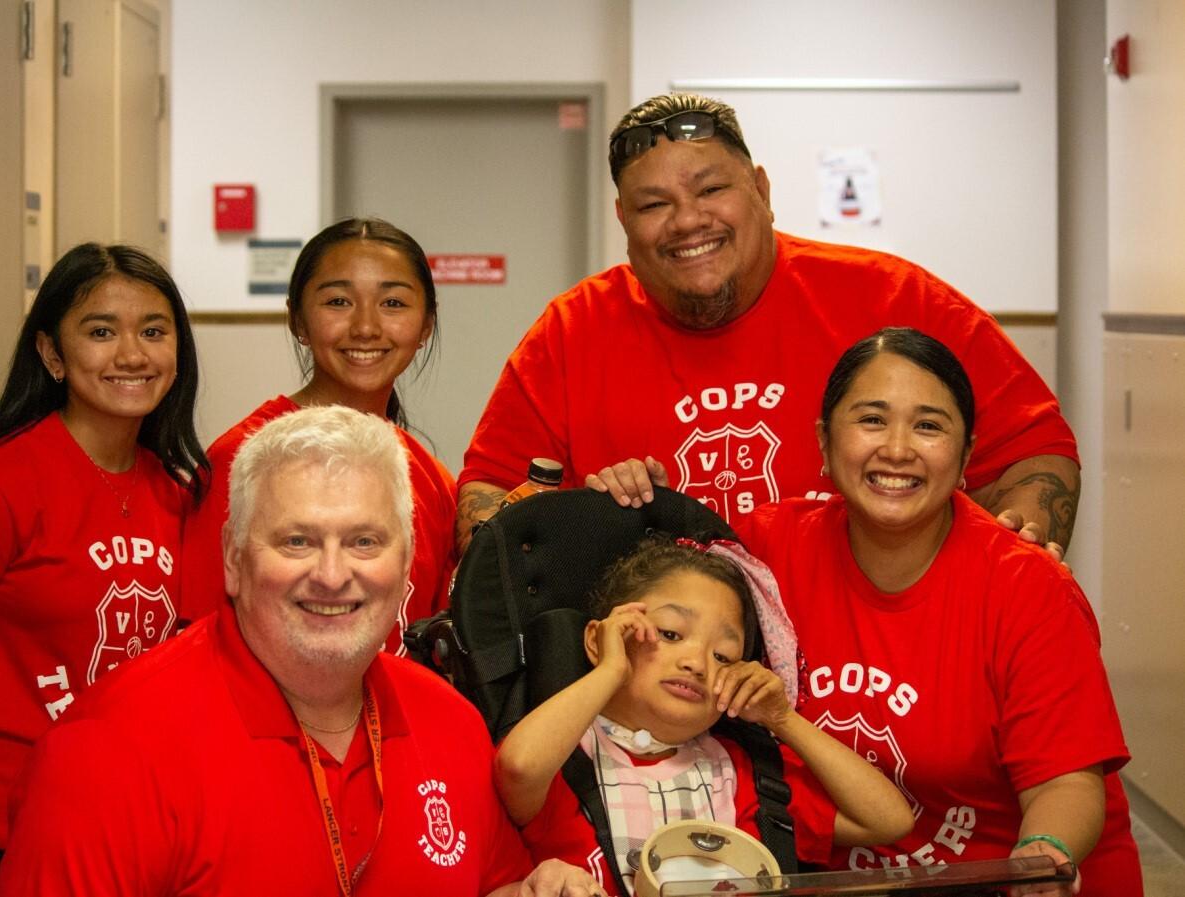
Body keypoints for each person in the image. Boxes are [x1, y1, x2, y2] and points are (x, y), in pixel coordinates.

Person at [0, 405, 602, 896]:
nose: (333, 575)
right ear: (233, 560)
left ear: (405, 562)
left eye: (365, 541)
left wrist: (532, 889)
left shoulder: (448, 721)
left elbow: (484, 883)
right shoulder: (107, 754)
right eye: (297, 541)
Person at [457, 93, 1079, 560]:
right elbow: (489, 487)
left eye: (711, 189)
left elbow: (1034, 448)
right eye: (654, 205)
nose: (687, 221)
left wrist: (1016, 552)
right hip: (655, 691)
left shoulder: (892, 299)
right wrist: (573, 527)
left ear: (760, 189)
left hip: (868, 670)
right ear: (623, 218)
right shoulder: (572, 332)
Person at [731, 328, 1140, 897]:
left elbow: (1063, 782)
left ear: (967, 453)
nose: (897, 450)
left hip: (998, 882)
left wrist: (1043, 856)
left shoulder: (1027, 585)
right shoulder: (767, 549)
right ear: (824, 441)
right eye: (872, 420)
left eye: (928, 426)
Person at [0, 243, 208, 895]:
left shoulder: (177, 490)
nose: (132, 354)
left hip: (128, 832)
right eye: (101, 331)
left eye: (154, 331)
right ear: (52, 353)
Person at [495, 539, 913, 895]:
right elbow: (517, 767)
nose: (696, 661)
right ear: (601, 640)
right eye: (671, 634)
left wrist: (782, 718)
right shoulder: (564, 755)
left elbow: (887, 820)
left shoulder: (742, 775)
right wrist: (609, 670)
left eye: (722, 656)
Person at [183, 217, 455, 653]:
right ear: (298, 321)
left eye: (393, 303)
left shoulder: (429, 476)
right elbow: (200, 635)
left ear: (425, 326)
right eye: (338, 301)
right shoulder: (245, 456)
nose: (366, 327)